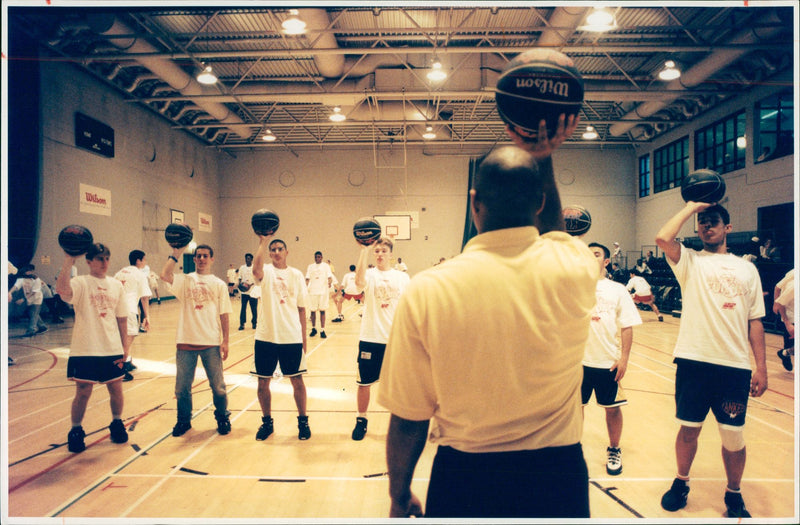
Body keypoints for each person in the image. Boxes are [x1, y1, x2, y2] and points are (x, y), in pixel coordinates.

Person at [379, 115, 598, 518]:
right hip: (558, 475)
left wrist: (398, 494)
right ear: (541, 202)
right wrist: (543, 150)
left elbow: (409, 419)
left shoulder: (428, 288)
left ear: (474, 202)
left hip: (465, 476)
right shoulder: (576, 265)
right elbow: (555, 234)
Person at [655, 202, 767, 518]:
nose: (707, 226)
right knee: (688, 430)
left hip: (734, 367)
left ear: (727, 227)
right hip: (693, 361)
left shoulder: (748, 269)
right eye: (702, 222)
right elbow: (663, 238)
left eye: (713, 221)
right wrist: (691, 207)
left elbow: (755, 320)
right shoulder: (689, 261)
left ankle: (734, 493)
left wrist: (762, 367)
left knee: (733, 436)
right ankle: (681, 483)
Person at [55, 243, 129, 453]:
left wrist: (125, 347)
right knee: (83, 391)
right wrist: (69, 259)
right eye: (99, 259)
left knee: (116, 389)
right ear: (89, 261)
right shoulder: (80, 282)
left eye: (107, 258)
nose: (104, 263)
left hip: (111, 348)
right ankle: (76, 430)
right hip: (85, 348)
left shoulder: (116, 285)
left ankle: (116, 423)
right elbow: (62, 291)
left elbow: (122, 319)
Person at [160, 244, 232, 437]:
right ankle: (183, 421)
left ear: (212, 259)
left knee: (218, 387)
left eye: (205, 256)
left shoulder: (219, 284)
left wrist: (225, 340)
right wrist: (176, 253)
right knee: (182, 388)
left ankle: (223, 417)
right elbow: (165, 275)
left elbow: (224, 314)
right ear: (194, 259)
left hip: (211, 342)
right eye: (198, 256)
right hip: (186, 342)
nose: (201, 259)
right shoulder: (186, 280)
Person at [583, 243, 642, 476]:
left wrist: (624, 358)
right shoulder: (573, 286)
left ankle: (614, 449)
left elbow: (627, 326)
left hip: (607, 362)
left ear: (606, 261)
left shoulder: (617, 289)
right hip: (578, 362)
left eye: (596, 254)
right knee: (574, 410)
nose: (591, 257)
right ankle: (572, 449)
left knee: (613, 409)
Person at [250, 236, 311, 441]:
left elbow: (302, 308)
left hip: (291, 336)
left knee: (297, 381)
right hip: (265, 336)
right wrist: (262, 242)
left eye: (280, 249)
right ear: (269, 253)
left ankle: (303, 422)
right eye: (273, 249)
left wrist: (304, 340)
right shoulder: (265, 271)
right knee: (262, 383)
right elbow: (255, 271)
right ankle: (267, 423)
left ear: (287, 252)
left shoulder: (296, 275)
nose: (276, 252)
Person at [351, 237, 410, 441]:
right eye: (376, 251)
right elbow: (358, 285)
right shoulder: (368, 275)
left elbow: (408, 308)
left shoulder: (402, 278)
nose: (380, 254)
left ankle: (399, 423)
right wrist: (363, 251)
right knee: (364, 383)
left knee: (399, 386)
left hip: (395, 341)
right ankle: (361, 420)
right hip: (370, 338)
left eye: (383, 251)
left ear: (390, 254)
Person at [114, 250, 152, 381]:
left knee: (121, 337)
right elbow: (145, 298)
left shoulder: (119, 273)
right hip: (128, 310)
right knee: (127, 340)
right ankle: (120, 369)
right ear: (138, 260)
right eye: (144, 259)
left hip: (115, 309)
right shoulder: (140, 275)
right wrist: (147, 316)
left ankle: (127, 361)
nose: (145, 262)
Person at [8, 264, 49, 337]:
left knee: (34, 314)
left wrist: (23, 299)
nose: (29, 272)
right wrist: (10, 292)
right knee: (32, 313)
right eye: (28, 271)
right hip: (28, 298)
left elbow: (34, 292)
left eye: (31, 271)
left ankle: (31, 330)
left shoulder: (36, 279)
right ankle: (43, 327)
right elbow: (16, 286)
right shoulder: (21, 279)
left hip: (37, 298)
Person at [305, 251, 333, 339]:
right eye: (316, 257)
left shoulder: (326, 266)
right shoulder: (310, 267)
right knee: (312, 311)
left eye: (319, 257)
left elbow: (329, 277)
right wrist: (305, 287)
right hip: (313, 291)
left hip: (323, 292)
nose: (317, 258)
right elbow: (307, 278)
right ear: (314, 257)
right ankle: (314, 329)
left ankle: (322, 330)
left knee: (322, 310)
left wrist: (329, 282)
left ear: (322, 257)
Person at [773, 269, 795, 371]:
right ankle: (785, 354)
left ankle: (785, 353)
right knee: (790, 344)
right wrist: (787, 323)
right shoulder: (793, 286)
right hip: (790, 317)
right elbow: (781, 301)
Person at [238, 253, 258, 330]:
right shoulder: (242, 268)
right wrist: (241, 285)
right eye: (246, 258)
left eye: (249, 258)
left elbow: (257, 278)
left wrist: (250, 285)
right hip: (244, 292)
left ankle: (254, 323)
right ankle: (242, 324)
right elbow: (240, 277)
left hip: (253, 291)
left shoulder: (254, 268)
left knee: (254, 309)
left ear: (251, 260)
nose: (247, 260)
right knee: (243, 308)